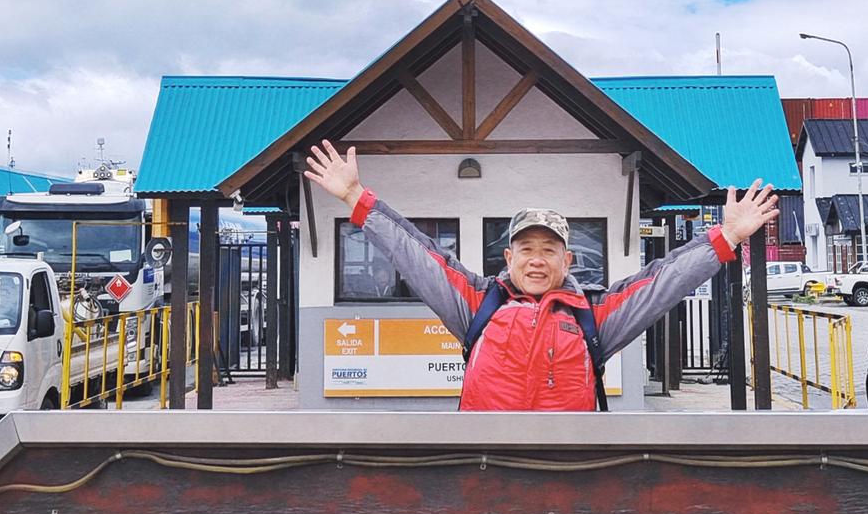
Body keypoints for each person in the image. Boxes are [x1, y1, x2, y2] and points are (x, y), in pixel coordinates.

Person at [304, 139, 778, 411]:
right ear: (507, 258)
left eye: (548, 250)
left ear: (566, 261)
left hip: (568, 475)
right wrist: (355, 199)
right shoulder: (476, 302)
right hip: (485, 471)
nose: (536, 260)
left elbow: (662, 282)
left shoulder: (595, 314)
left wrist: (725, 237)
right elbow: (416, 253)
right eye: (526, 249)